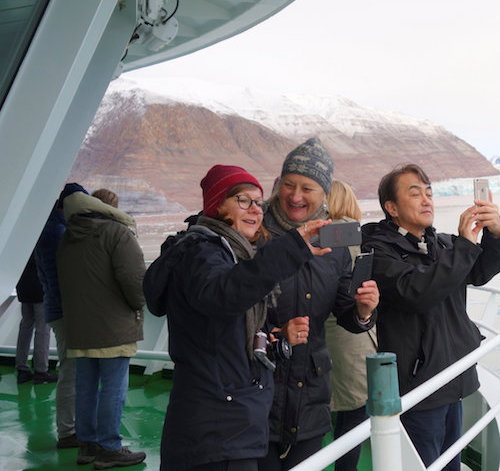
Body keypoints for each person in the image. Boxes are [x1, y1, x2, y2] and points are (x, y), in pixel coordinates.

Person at [144, 164, 334, 471]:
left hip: (228, 424)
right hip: (216, 431)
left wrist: (273, 337)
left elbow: (223, 328)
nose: (255, 210)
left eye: (259, 203)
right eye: (243, 200)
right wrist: (291, 248)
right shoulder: (202, 253)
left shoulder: (231, 254)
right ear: (217, 205)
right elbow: (224, 294)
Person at [360, 164, 500, 471]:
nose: (426, 200)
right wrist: (465, 246)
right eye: (414, 193)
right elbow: (418, 292)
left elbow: (482, 270)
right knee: (424, 464)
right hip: (419, 387)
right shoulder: (378, 251)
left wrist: (495, 233)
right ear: (391, 207)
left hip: (453, 379)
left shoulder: (442, 244)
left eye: (429, 192)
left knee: (450, 464)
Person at [258, 138, 380, 470]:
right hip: (258, 392)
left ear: (324, 193)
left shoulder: (333, 242)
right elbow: (232, 302)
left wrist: (363, 310)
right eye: (289, 185)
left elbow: (344, 311)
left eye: (307, 188)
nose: (295, 196)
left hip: (309, 392)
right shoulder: (256, 233)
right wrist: (274, 332)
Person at [57, 190, 147, 468]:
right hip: (113, 327)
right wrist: (138, 304)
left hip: (80, 327)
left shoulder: (68, 238)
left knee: (85, 386)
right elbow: (134, 281)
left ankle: (87, 445)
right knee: (113, 388)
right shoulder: (117, 234)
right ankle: (109, 447)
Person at [323, 179, 377, 471]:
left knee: (337, 409)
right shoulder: (351, 235)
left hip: (329, 334)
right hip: (354, 337)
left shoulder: (323, 235)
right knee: (354, 414)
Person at [34, 182, 88, 449]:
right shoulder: (56, 232)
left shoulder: (49, 228)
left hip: (56, 309)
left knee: (71, 368)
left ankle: (71, 428)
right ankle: (68, 431)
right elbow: (63, 278)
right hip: (65, 311)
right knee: (71, 370)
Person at [14, 251, 58, 384]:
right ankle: (41, 370)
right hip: (40, 288)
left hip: (23, 287)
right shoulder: (41, 240)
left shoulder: (22, 243)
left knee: (25, 326)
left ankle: (22, 368)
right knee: (43, 329)